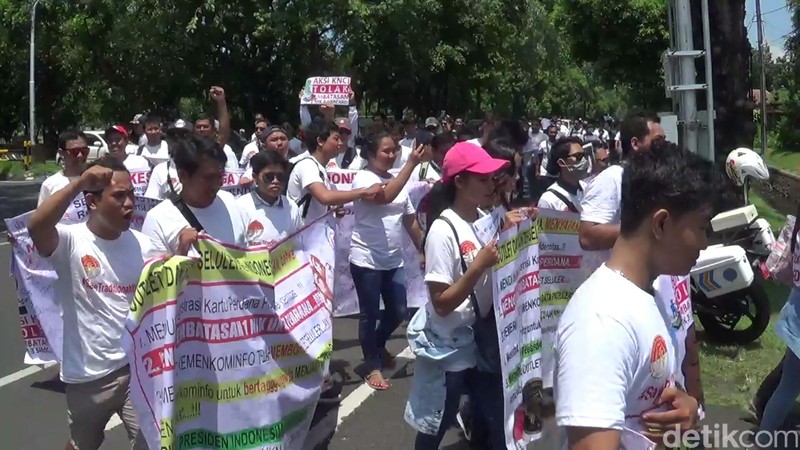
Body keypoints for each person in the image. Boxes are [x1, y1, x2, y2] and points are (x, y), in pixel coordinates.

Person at [555, 145, 714, 450]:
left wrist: (687, 407)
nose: (705, 243)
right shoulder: (601, 322)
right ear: (661, 224)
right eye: (701, 227)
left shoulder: (645, 295)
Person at [28, 156, 155, 450]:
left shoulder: (144, 244)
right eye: (119, 196)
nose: (129, 203)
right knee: (82, 444)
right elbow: (36, 226)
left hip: (136, 369)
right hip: (88, 377)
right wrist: (79, 183)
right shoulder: (70, 241)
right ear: (93, 202)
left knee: (153, 441)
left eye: (131, 194)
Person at [405, 141, 510, 450]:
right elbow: (441, 303)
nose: (491, 185)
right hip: (449, 347)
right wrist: (478, 266)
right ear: (460, 182)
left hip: (480, 341)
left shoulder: (482, 218)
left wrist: (512, 227)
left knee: (494, 419)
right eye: (483, 179)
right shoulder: (442, 231)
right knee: (437, 423)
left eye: (492, 178)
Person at [350, 132, 425, 390]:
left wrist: (423, 248)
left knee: (399, 311)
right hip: (366, 258)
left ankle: (378, 345)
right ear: (371, 153)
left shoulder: (396, 180)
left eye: (395, 150)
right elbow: (384, 197)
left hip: (394, 259)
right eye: (386, 150)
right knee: (369, 314)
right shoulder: (363, 178)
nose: (392, 155)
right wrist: (411, 164)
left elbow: (409, 219)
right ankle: (371, 365)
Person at [141, 134, 250, 256]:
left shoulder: (231, 203)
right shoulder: (157, 220)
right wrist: (181, 252)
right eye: (209, 178)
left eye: (220, 177)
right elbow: (153, 268)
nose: (217, 185)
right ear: (183, 176)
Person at [286, 119, 383, 224]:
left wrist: (331, 211)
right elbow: (325, 197)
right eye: (336, 139)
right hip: (303, 233)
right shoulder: (307, 165)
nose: (340, 143)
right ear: (320, 141)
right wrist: (364, 192)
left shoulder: (320, 168)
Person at [236, 151, 302, 248]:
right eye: (269, 177)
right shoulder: (240, 207)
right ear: (255, 177)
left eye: (280, 177)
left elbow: (298, 246)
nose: (275, 181)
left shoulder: (291, 207)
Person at [39, 130, 89, 223]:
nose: (80, 155)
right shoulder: (50, 184)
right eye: (75, 151)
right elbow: (41, 218)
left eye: (84, 151)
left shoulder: (95, 178)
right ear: (61, 153)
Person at [537, 137, 589, 213]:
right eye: (578, 156)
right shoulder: (548, 200)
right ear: (561, 163)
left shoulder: (587, 189)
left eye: (584, 155)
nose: (584, 160)